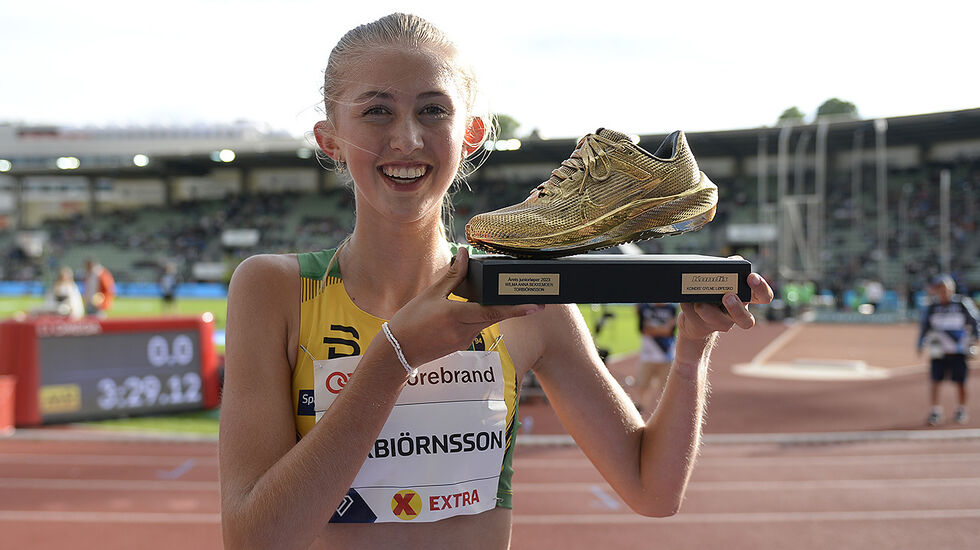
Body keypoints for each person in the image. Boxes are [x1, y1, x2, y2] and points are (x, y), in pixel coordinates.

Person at [218, 13, 773, 550]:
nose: (407, 138)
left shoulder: (524, 295)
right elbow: (256, 540)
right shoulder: (275, 291)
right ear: (330, 138)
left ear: (472, 135)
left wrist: (691, 352)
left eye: (433, 110)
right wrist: (392, 360)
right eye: (377, 112)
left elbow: (652, 490)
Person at [917, 274, 979, 426]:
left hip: (958, 351)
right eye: (940, 290)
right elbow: (925, 326)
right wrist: (920, 343)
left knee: (960, 382)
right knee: (935, 381)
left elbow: (976, 320)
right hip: (939, 351)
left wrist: (975, 337)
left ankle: (961, 409)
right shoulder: (932, 307)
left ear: (952, 290)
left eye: (946, 290)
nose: (944, 293)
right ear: (936, 291)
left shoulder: (962, 304)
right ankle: (935, 411)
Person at [632, 303, 679, 414]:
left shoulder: (671, 309)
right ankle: (639, 410)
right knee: (641, 386)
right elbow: (644, 330)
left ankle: (665, 413)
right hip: (647, 357)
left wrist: (654, 329)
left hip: (666, 357)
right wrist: (662, 329)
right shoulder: (644, 307)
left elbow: (669, 330)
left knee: (665, 389)